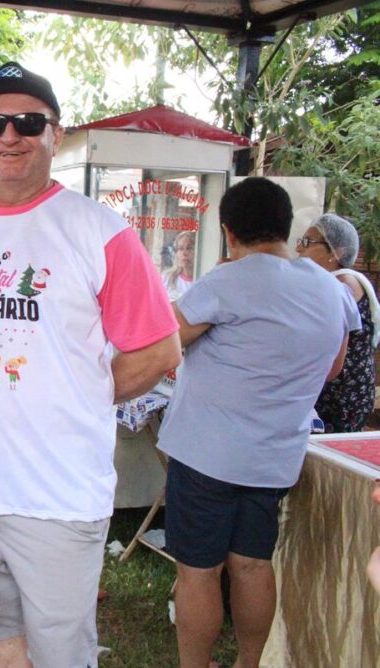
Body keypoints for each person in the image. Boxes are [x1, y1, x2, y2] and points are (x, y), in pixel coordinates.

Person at [0, 62, 181, 667]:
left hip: (59, 492)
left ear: (54, 134)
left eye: (27, 122)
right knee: (0, 642)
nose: (9, 135)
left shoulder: (98, 231)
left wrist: (79, 396)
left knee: (63, 654)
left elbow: (159, 350)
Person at [157, 178, 359, 668]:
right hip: (274, 459)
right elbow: (333, 368)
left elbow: (164, 341)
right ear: (287, 229)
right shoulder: (328, 289)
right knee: (251, 565)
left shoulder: (228, 281)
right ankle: (251, 662)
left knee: (199, 573)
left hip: (205, 454)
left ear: (228, 231)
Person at [296, 213, 379, 432]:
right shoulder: (333, 281)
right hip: (334, 387)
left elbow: (331, 350)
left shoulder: (343, 284)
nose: (299, 249)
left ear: (336, 252)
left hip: (341, 393)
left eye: (307, 242)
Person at [162, 230, 196, 301]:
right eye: (180, 249)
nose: (184, 253)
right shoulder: (167, 278)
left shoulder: (201, 282)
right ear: (176, 253)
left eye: (189, 248)